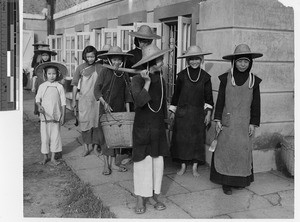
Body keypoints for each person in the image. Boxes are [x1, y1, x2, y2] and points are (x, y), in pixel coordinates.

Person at [210, 44, 262, 195]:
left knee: (241, 152)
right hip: (227, 123)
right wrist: (218, 118)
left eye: (246, 61)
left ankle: (239, 181)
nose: (243, 64)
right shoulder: (226, 79)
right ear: (234, 62)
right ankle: (226, 182)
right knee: (226, 151)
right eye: (240, 61)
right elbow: (220, 100)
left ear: (250, 63)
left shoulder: (254, 81)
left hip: (244, 124)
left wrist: (253, 123)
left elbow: (256, 104)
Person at [131, 44, 171, 214]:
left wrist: (166, 120)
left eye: (162, 58)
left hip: (157, 127)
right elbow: (139, 102)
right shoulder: (137, 79)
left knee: (157, 163)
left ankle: (154, 195)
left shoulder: (161, 79)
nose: (163, 62)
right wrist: (146, 82)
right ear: (150, 62)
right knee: (142, 163)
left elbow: (162, 103)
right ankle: (140, 197)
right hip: (142, 127)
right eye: (160, 59)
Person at [169, 45, 214, 177]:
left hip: (198, 114)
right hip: (183, 113)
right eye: (191, 59)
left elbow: (209, 98)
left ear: (201, 60)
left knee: (197, 140)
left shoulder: (206, 77)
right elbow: (176, 96)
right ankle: (183, 165)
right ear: (187, 61)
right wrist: (172, 111)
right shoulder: (182, 76)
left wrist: (209, 114)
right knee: (182, 140)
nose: (194, 62)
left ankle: (195, 167)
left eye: (197, 59)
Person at [94, 46, 133, 175]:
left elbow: (128, 94)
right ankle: (106, 165)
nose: (117, 62)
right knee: (106, 138)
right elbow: (97, 90)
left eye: (119, 60)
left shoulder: (123, 73)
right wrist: (104, 103)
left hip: (119, 109)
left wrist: (127, 113)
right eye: (114, 59)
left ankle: (115, 164)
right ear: (109, 60)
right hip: (106, 109)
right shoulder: (104, 71)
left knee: (118, 137)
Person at [71, 46, 102, 157]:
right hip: (84, 99)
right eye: (88, 56)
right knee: (84, 124)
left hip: (96, 100)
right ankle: (86, 147)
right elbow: (75, 85)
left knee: (96, 124)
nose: (90, 59)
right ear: (84, 56)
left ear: (95, 56)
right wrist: (74, 100)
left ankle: (95, 147)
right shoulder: (80, 68)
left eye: (92, 56)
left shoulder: (99, 67)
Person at [35, 62, 67, 166]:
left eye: (53, 74)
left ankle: (53, 158)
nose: (51, 76)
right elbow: (37, 99)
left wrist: (63, 116)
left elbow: (63, 102)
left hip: (56, 116)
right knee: (44, 137)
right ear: (45, 74)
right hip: (45, 117)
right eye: (49, 74)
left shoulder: (59, 87)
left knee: (55, 137)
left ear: (57, 74)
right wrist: (39, 106)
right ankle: (45, 157)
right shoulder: (42, 86)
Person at [32, 46, 57, 116]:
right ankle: (40, 116)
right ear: (41, 56)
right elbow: (34, 76)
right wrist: (33, 86)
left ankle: (47, 114)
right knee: (39, 99)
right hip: (39, 83)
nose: (45, 57)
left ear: (49, 56)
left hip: (48, 83)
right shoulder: (37, 65)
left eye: (46, 55)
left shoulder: (51, 65)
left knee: (47, 99)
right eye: (43, 55)